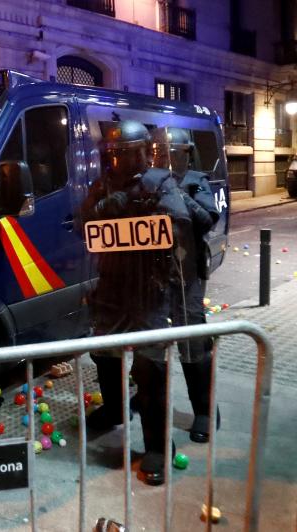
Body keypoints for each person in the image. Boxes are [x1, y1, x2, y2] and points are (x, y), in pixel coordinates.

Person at [81, 120, 191, 485]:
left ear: (143, 152)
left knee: (150, 368)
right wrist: (104, 207)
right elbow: (83, 222)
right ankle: (114, 409)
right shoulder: (104, 185)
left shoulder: (160, 182)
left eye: (128, 154)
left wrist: (144, 212)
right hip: (112, 287)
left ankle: (158, 445)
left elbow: (180, 223)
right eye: (116, 155)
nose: (121, 161)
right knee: (104, 354)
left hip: (149, 290)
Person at [161, 127, 220, 443]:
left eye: (174, 152)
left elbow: (208, 220)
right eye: (163, 152)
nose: (168, 158)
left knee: (192, 341)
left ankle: (205, 410)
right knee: (151, 343)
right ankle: (147, 396)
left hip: (187, 273)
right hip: (154, 275)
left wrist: (179, 195)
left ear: (186, 154)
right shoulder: (152, 181)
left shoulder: (196, 181)